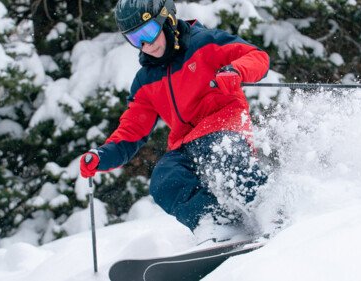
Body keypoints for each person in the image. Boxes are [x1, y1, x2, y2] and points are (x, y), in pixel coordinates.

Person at [79, 0, 270, 240]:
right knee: (164, 179)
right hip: (186, 143)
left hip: (224, 127)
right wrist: (103, 155)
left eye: (149, 32)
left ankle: (268, 208)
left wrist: (236, 70)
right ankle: (217, 222)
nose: (146, 44)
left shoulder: (205, 43)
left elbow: (256, 56)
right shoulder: (145, 80)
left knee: (220, 152)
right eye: (136, 39)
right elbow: (132, 130)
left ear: (167, 19)